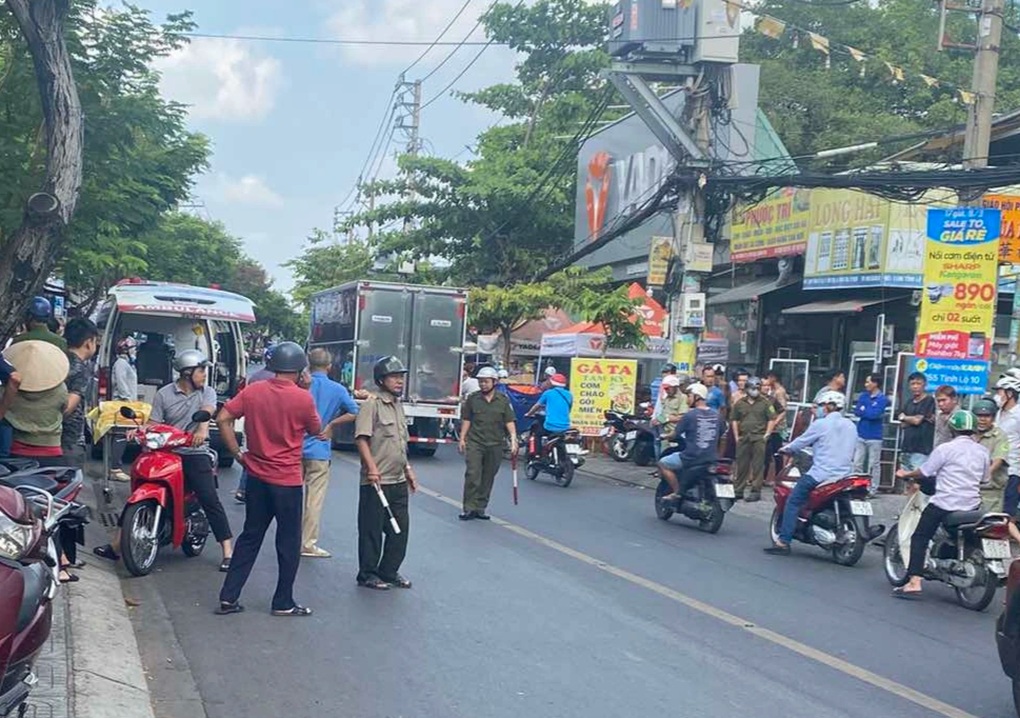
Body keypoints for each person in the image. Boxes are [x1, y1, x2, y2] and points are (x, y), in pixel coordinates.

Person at [95, 350, 234, 570]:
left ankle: (227, 550)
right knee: (137, 491)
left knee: (209, 498)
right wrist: (139, 429)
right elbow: (154, 421)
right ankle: (116, 545)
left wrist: (201, 429)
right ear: (188, 373)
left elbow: (207, 412)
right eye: (201, 370)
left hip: (193, 451)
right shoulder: (164, 393)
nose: (205, 375)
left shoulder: (207, 392)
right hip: (167, 450)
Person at [216, 342, 321, 616]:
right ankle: (283, 601)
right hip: (286, 480)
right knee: (288, 542)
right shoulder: (303, 398)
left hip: (257, 477)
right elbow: (315, 428)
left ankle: (229, 596)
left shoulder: (253, 391)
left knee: (250, 536)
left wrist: (237, 453)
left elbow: (223, 417)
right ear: (299, 371)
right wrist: (306, 391)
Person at [893, 410, 988, 598]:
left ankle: (914, 582)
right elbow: (985, 479)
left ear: (952, 429)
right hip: (972, 506)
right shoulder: (983, 451)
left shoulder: (945, 449)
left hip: (945, 504)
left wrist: (906, 474)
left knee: (920, 537)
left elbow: (925, 472)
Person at [765, 391, 857, 555]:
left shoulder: (820, 424)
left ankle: (783, 541)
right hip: (845, 476)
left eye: (820, 406)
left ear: (829, 406)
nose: (817, 410)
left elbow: (800, 442)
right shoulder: (851, 425)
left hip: (821, 474)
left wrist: (785, 448)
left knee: (793, 501)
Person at [354, 356, 417, 591]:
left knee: (399, 530)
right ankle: (367, 574)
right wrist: (371, 469)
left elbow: (401, 443)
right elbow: (362, 439)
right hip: (376, 481)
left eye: (401, 377)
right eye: (394, 377)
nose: (399, 381)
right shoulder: (372, 404)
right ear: (381, 380)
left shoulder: (398, 405)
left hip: (398, 479)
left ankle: (389, 571)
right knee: (371, 530)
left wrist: (408, 469)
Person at [301, 348, 359, 559]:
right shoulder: (337, 389)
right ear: (329, 367)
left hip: (294, 448)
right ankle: (307, 544)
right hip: (319, 449)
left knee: (290, 497)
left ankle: (287, 538)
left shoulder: (300, 386)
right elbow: (354, 411)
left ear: (308, 365)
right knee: (313, 500)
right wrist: (332, 424)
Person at [458, 366, 517, 521]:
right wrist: (462, 438)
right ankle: (469, 508)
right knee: (473, 474)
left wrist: (514, 440)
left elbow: (509, 421)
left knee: (488, 476)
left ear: (494, 382)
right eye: (480, 382)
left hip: (496, 444)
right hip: (475, 443)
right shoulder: (473, 399)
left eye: (486, 381)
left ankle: (480, 508)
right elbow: (467, 419)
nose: (483, 384)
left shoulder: (503, 400)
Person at [657, 383, 722, 502]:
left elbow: (675, 434)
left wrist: (665, 436)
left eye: (690, 395)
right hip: (711, 457)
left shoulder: (690, 415)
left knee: (663, 463)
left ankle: (677, 492)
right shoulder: (716, 415)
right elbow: (721, 432)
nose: (688, 398)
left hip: (691, 457)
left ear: (696, 397)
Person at [61, 318, 100, 470]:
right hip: (69, 442)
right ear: (88, 342)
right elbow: (68, 408)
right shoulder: (81, 370)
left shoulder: (58, 360)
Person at [731, 377, 775, 502]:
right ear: (747, 389)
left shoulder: (766, 403)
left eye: (757, 388)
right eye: (752, 388)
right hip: (744, 437)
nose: (755, 391)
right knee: (741, 465)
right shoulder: (740, 403)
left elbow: (772, 419)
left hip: (758, 437)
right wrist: (736, 436)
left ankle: (756, 491)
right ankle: (738, 490)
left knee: (758, 466)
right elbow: (734, 420)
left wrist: (767, 434)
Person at [852, 373, 888, 497]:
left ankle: (872, 489)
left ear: (875, 383)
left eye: (868, 382)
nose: (866, 384)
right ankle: (857, 487)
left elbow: (875, 414)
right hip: (861, 433)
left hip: (875, 436)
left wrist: (864, 411)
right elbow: (857, 411)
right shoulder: (863, 396)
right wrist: (867, 411)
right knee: (857, 462)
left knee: (873, 464)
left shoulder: (882, 399)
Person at [524, 373, 573, 456]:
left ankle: (538, 454)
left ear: (552, 383)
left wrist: (529, 414)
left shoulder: (548, 393)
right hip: (566, 426)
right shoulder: (569, 395)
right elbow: (569, 410)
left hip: (550, 426)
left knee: (537, 434)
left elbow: (537, 406)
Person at [898, 372, 935, 472]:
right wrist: (910, 419)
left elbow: (917, 421)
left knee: (917, 481)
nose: (915, 386)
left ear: (925, 384)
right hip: (906, 448)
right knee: (905, 478)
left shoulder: (929, 400)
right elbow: (902, 424)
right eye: (912, 384)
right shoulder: (908, 402)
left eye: (918, 384)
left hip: (921, 449)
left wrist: (905, 417)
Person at [995, 373, 1020, 516]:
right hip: (996, 468)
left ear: (1010, 394)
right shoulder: (999, 413)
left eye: (999, 392)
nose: (997, 396)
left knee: (1007, 512)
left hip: (1012, 470)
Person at [763, 371, 789, 482]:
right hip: (771, 426)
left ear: (773, 378)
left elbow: (783, 410)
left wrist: (774, 422)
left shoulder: (779, 392)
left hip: (777, 429)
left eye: (768, 378)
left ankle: (778, 477)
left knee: (776, 453)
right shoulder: (773, 391)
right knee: (767, 454)